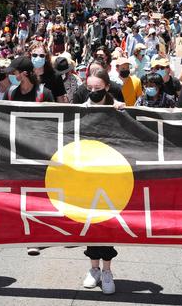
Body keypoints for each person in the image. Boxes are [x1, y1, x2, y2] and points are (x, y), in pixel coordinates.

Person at [81, 68, 123, 295]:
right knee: (90, 221)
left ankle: (107, 271)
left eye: (98, 88)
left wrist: (120, 111)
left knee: (107, 222)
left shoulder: (117, 107)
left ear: (107, 87)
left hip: (111, 174)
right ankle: (93, 269)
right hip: (86, 174)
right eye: (90, 89)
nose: (93, 92)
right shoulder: (82, 106)